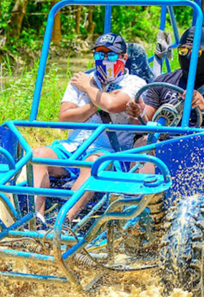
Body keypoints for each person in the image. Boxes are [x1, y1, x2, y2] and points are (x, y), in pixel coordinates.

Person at [33, 33, 146, 226]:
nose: (104, 60)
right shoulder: (80, 81)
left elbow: (112, 105)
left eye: (111, 55)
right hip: (73, 147)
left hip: (109, 153)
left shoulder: (134, 83)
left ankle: (63, 222)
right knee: (38, 154)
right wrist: (95, 103)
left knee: (92, 162)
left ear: (124, 57)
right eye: (99, 54)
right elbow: (65, 118)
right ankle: (36, 219)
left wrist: (89, 89)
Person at [126, 27, 204, 193]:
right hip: (167, 143)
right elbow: (144, 119)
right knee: (142, 142)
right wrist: (137, 112)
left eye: (196, 52)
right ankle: (141, 199)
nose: (188, 56)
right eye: (183, 50)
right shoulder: (164, 81)